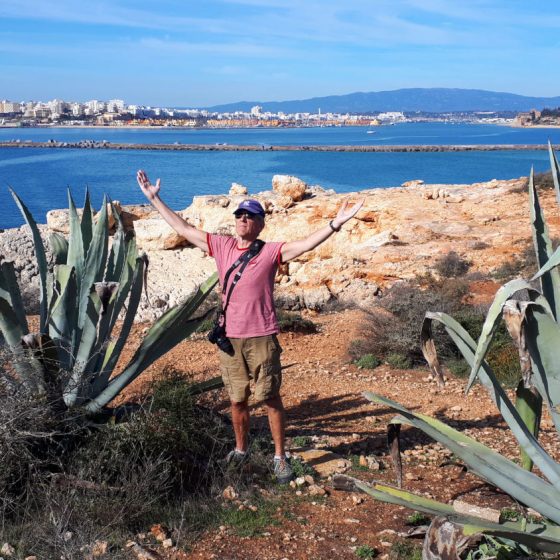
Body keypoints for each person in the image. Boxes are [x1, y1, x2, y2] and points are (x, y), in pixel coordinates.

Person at [136, 170, 364, 483]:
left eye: (250, 216)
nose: (243, 220)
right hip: (230, 338)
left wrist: (335, 223)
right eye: (240, 215)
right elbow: (183, 227)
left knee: (270, 398)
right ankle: (241, 449)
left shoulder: (270, 252)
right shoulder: (222, 246)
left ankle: (280, 456)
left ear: (260, 223)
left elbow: (306, 245)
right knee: (236, 399)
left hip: (261, 337)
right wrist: (154, 199)